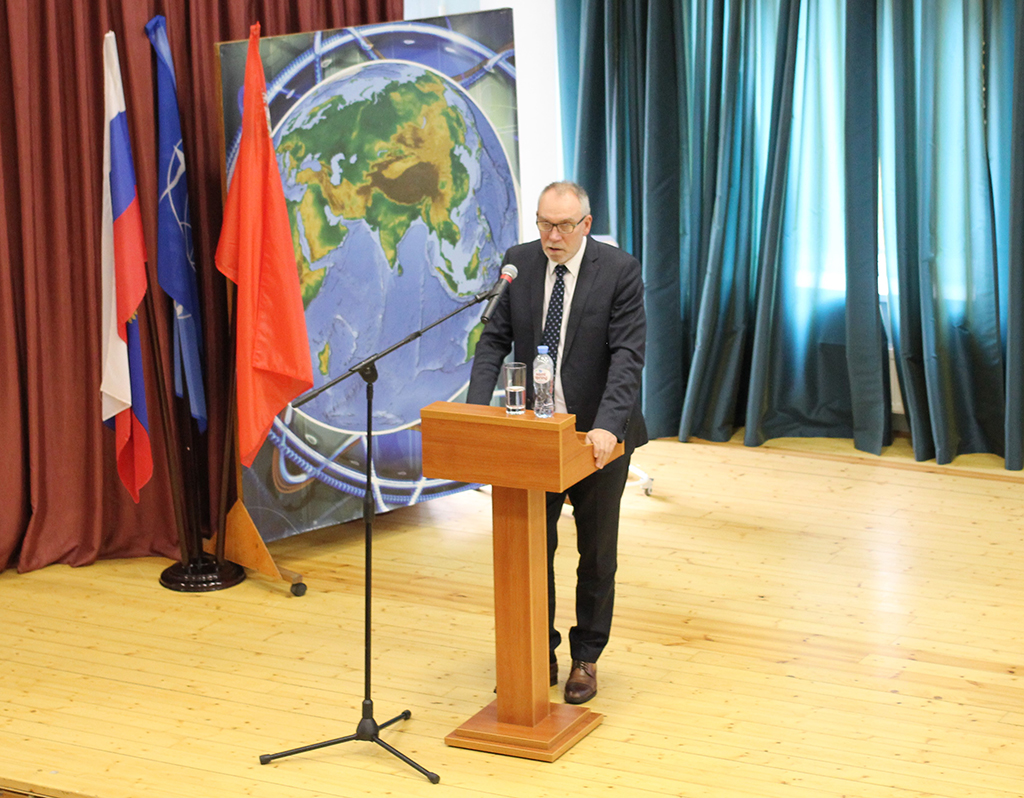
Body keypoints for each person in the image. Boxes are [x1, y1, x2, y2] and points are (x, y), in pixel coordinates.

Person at [467, 181, 647, 704]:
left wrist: (608, 426)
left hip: (596, 437)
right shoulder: (519, 264)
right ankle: (536, 651)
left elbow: (627, 356)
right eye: (545, 224)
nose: (552, 236)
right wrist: (477, 414)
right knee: (530, 549)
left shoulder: (619, 270)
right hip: (534, 434)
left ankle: (586, 657)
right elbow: (494, 341)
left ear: (585, 225)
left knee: (596, 554)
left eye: (564, 226)